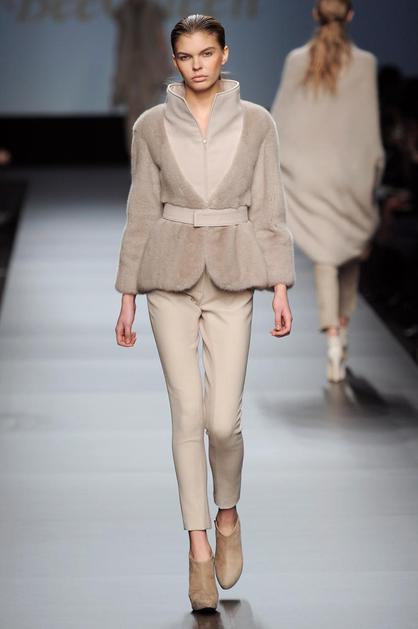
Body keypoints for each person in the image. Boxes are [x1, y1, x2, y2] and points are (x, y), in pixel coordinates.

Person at [114, 14, 295, 612]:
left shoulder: (258, 123)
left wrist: (280, 286)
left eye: (207, 53)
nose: (197, 65)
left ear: (224, 54)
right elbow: (141, 210)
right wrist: (127, 294)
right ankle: (197, 549)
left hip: (234, 275)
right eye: (187, 56)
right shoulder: (150, 126)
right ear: (175, 61)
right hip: (167, 275)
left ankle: (227, 514)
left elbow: (270, 208)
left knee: (223, 422)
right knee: (187, 413)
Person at [271, 0, 385, 382]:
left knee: (325, 257)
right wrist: (374, 171)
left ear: (314, 14)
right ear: (350, 15)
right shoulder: (366, 64)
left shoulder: (297, 60)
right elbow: (369, 128)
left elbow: (280, 122)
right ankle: (342, 329)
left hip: (311, 175)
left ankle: (333, 341)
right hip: (351, 174)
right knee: (349, 250)